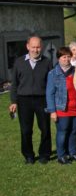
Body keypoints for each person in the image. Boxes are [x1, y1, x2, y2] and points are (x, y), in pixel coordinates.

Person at [9, 36, 52, 164]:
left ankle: (44, 154)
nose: (35, 49)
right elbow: (14, 84)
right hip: (24, 100)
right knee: (26, 130)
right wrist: (13, 101)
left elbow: (51, 84)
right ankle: (28, 155)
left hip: (42, 99)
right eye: (33, 47)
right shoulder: (19, 62)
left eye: (38, 47)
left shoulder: (47, 62)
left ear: (41, 47)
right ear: (27, 46)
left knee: (45, 128)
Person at [46, 47, 76, 165]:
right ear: (59, 58)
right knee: (63, 131)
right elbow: (49, 93)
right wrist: (52, 111)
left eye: (68, 56)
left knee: (73, 131)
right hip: (62, 108)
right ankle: (61, 155)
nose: (66, 59)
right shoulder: (53, 74)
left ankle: (72, 152)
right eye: (63, 57)